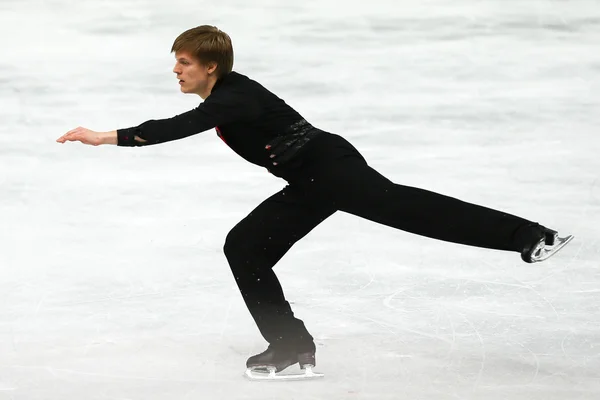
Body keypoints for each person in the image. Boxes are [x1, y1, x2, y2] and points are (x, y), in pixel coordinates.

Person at [56, 25, 573, 377]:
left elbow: (173, 129)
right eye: (177, 62)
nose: (177, 70)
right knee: (245, 247)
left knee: (412, 210)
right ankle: (290, 345)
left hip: (330, 169)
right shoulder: (226, 94)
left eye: (185, 62)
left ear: (211, 66)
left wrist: (103, 137)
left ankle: (531, 236)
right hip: (309, 179)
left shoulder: (231, 96)